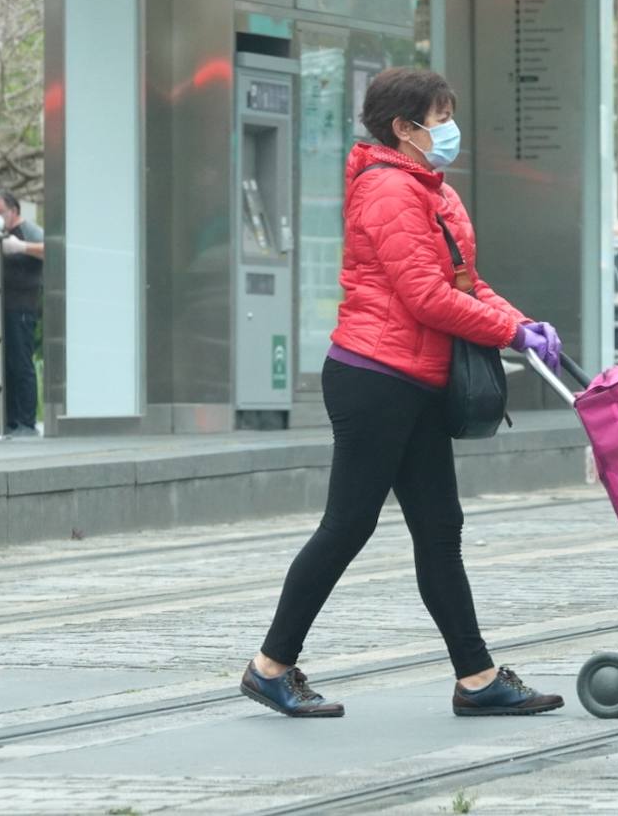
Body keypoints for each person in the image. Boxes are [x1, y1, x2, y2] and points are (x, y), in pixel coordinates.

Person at [240, 67, 566, 719]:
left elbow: (463, 282)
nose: (448, 129)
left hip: (413, 379)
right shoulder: (389, 189)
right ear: (403, 127)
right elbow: (426, 297)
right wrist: (509, 330)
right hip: (376, 377)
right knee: (348, 523)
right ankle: (270, 665)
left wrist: (521, 324)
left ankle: (476, 677)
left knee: (440, 528)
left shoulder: (425, 188)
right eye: (438, 117)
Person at [0, 189, 44, 438]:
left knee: (20, 364)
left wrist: (21, 247)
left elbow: (49, 250)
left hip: (21, 308)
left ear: (13, 211)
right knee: (1, 364)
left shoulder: (29, 231)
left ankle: (26, 422)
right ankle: (7, 422)